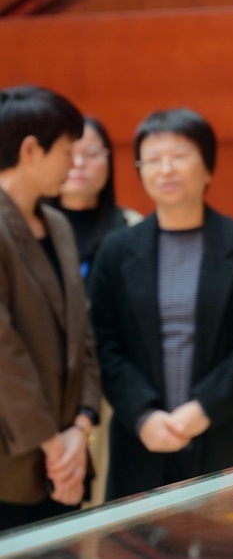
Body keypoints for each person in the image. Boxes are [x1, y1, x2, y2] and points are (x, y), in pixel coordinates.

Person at [87, 108, 233, 499]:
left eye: (178, 156)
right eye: (152, 159)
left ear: (207, 167)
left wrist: (204, 408)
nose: (165, 169)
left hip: (228, 431)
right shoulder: (116, 250)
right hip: (140, 440)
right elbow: (103, 344)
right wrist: (143, 414)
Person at [0, 85, 102, 530]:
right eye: (66, 150)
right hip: (15, 461)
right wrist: (54, 446)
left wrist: (81, 427)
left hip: (67, 456)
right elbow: (4, 351)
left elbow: (82, 332)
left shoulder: (58, 224)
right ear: (30, 150)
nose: (73, 163)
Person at [47, 116, 143, 279]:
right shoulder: (32, 225)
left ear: (108, 160)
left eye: (91, 154)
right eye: (68, 153)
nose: (78, 163)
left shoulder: (133, 225)